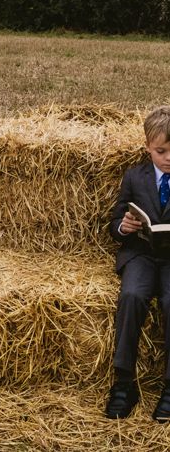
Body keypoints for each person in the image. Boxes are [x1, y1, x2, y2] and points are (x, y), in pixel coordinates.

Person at [106, 105, 170, 420]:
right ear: (148, 148)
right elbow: (116, 219)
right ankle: (123, 383)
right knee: (131, 296)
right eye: (161, 151)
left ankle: (169, 388)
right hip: (142, 254)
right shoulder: (135, 176)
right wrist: (124, 226)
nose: (168, 158)